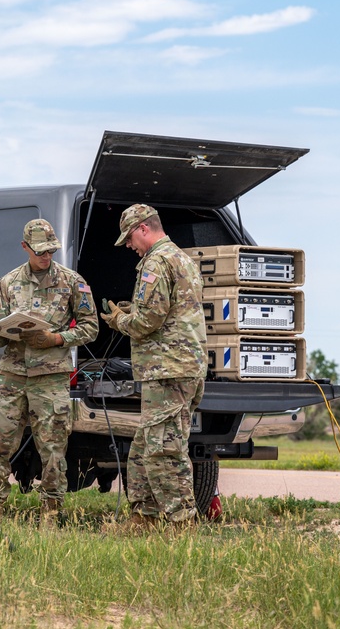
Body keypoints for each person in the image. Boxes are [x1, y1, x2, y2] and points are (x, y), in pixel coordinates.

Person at [0, 219, 98, 521]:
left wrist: (57, 338)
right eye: (40, 251)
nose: (46, 256)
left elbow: (90, 327)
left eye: (50, 251)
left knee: (53, 450)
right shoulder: (8, 282)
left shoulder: (72, 282)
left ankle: (51, 513)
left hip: (51, 377)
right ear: (25, 247)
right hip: (12, 377)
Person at [100, 204, 207, 527]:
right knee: (145, 446)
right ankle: (143, 517)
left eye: (130, 238)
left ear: (144, 228)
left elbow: (148, 321)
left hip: (168, 369)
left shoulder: (157, 262)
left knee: (163, 450)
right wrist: (135, 309)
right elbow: (172, 309)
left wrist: (120, 319)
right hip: (182, 366)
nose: (129, 245)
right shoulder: (182, 258)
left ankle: (181, 521)